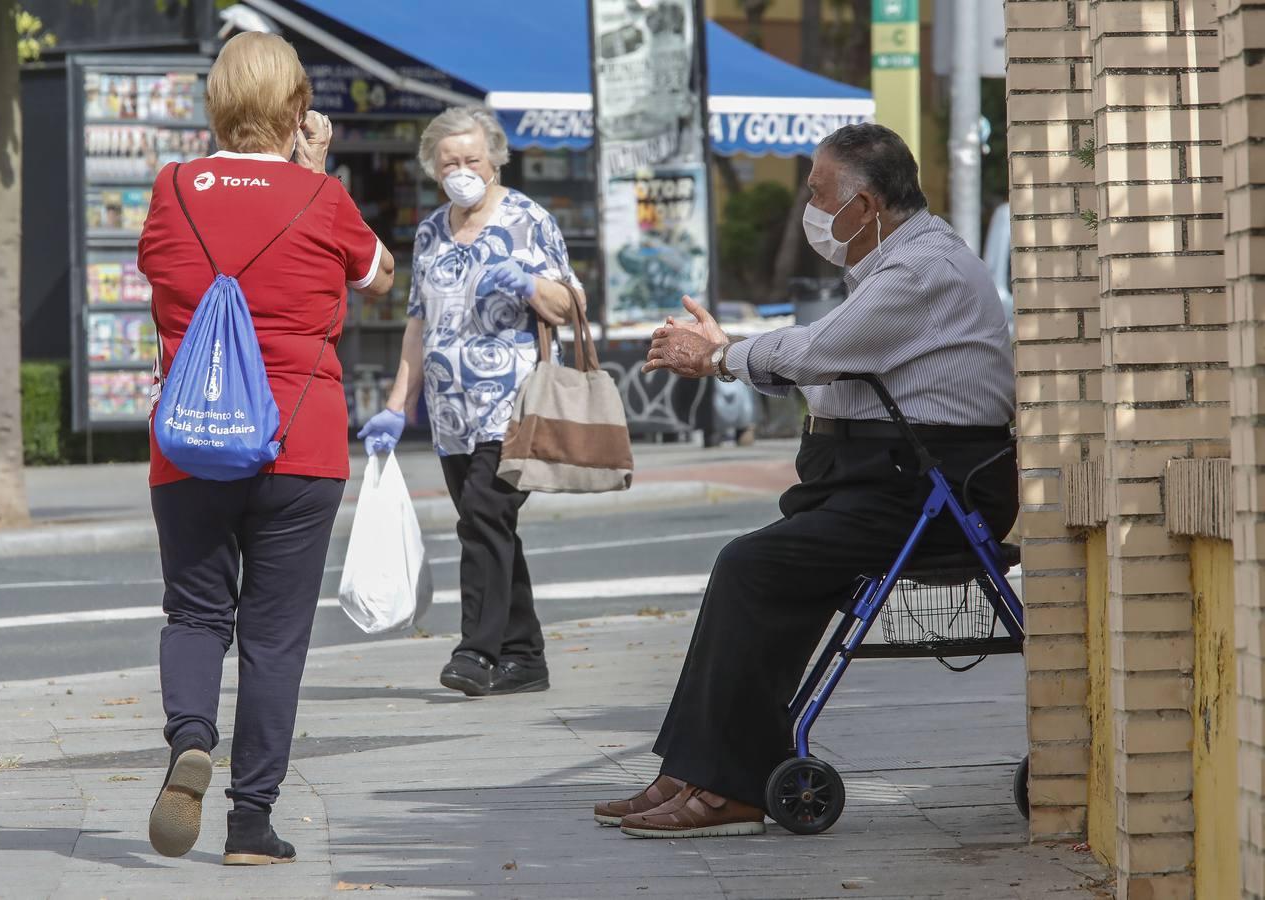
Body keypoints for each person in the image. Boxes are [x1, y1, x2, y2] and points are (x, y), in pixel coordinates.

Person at [593, 123, 1019, 838]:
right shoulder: (891, 267)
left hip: (928, 492)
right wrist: (730, 353)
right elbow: (826, 372)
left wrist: (720, 355)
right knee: (757, 569)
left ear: (866, 206)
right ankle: (694, 769)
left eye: (820, 193)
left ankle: (727, 783)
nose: (810, 207)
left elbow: (821, 352)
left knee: (750, 566)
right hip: (883, 482)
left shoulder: (920, 271)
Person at [138, 32, 395, 864]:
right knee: (274, 637)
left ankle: (190, 734)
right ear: (295, 109)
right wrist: (313, 172)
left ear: (215, 105)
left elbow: (158, 276)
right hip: (299, 441)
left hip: (191, 443)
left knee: (194, 610)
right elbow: (379, 274)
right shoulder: (321, 199)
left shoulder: (173, 187)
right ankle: (251, 824)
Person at [357, 107, 581, 698]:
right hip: (450, 413)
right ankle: (525, 656)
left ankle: (475, 653)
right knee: (491, 524)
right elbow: (416, 322)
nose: (462, 170)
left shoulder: (528, 220)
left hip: (515, 403)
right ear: (434, 168)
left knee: (484, 513)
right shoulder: (431, 230)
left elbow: (570, 306)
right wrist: (397, 405)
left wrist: (530, 284)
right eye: (450, 162)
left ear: (495, 160)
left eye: (472, 160)